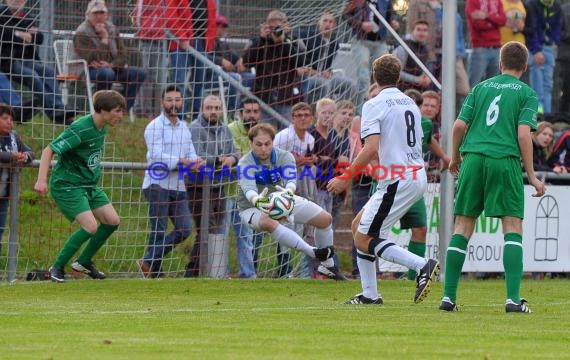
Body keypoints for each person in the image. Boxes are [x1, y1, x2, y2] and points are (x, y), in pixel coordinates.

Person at [439, 41, 545, 313]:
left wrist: (456, 157)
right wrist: (531, 176)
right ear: (524, 66)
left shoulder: (480, 88)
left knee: (462, 227)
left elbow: (459, 126)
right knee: (512, 227)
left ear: (500, 63)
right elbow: (523, 135)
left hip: (473, 158)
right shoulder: (527, 93)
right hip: (504, 159)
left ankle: (448, 298)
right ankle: (512, 300)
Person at [327, 54, 440, 305]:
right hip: (413, 175)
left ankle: (422, 265)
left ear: (374, 78)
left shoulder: (373, 104)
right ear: (399, 78)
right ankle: (369, 294)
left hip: (398, 179)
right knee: (358, 228)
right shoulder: (411, 103)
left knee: (365, 238)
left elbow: (370, 148)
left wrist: (346, 177)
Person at [34, 90, 125, 283]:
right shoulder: (80, 128)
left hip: (88, 184)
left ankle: (83, 262)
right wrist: (41, 180)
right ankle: (56, 267)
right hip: (68, 184)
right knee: (91, 226)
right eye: (117, 111)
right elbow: (48, 150)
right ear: (102, 110)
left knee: (112, 220)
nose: (121, 115)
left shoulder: (102, 126)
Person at [236, 123, 336, 277]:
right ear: (251, 144)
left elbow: (290, 179)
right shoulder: (245, 163)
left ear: (273, 142)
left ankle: (328, 267)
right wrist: (258, 201)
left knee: (325, 219)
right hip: (252, 207)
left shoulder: (285, 156)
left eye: (267, 144)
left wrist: (288, 192)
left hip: (282, 198)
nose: (263, 148)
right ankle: (312, 251)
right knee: (268, 222)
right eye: (258, 144)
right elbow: (249, 190)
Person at [137, 85, 204, 278]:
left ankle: (149, 261)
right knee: (158, 229)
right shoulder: (154, 127)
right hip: (157, 185)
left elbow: (190, 152)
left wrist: (196, 160)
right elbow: (157, 157)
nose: (174, 104)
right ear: (162, 102)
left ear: (182, 102)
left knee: (184, 229)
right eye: (169, 100)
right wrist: (185, 162)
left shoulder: (184, 127)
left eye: (177, 100)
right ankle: (155, 271)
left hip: (178, 185)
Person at [184, 94, 239, 277]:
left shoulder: (225, 128)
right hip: (198, 186)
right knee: (206, 228)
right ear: (202, 109)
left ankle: (206, 270)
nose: (213, 111)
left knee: (216, 229)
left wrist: (231, 158)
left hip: (219, 186)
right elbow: (196, 155)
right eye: (209, 108)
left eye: (216, 108)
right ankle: (195, 271)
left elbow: (235, 152)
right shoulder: (195, 128)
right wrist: (217, 160)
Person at [0, 0, 74, 124]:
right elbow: (3, 33)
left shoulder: (27, 16)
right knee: (32, 76)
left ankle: (58, 106)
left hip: (26, 59)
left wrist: (29, 36)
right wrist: (19, 34)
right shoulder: (2, 14)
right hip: (7, 60)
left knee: (48, 71)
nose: (16, 1)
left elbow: (39, 38)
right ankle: (51, 112)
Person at [74, 0, 146, 112]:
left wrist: (112, 64)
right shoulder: (82, 32)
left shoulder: (112, 29)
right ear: (88, 15)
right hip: (87, 70)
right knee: (106, 74)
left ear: (107, 15)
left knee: (139, 74)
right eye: (95, 13)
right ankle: (101, 110)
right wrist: (104, 38)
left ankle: (122, 109)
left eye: (102, 13)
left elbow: (123, 55)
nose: (99, 16)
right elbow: (92, 58)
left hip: (112, 68)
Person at [242, 10, 303, 125]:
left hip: (286, 97)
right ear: (266, 26)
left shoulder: (293, 41)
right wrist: (262, 39)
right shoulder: (259, 41)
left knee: (287, 136)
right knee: (264, 134)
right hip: (263, 97)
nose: (276, 30)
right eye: (273, 26)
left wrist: (284, 41)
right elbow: (246, 63)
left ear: (286, 26)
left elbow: (300, 62)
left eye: (279, 26)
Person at [227, 97, 263, 278]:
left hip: (249, 194)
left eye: (255, 111)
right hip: (227, 191)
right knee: (223, 235)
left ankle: (248, 274)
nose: (252, 115)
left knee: (247, 237)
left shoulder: (262, 133)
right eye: (248, 111)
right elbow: (239, 158)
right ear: (241, 113)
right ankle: (220, 274)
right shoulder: (231, 129)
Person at [343, 0, 399, 107]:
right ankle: (361, 108)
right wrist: (360, 24)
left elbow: (391, 14)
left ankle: (382, 105)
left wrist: (393, 22)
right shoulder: (357, 1)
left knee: (383, 74)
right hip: (361, 41)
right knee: (364, 76)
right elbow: (345, 15)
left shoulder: (386, 1)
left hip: (380, 41)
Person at [297, 11, 356, 104]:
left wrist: (329, 72)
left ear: (334, 25)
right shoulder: (308, 36)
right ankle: (321, 114)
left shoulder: (334, 43)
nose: (327, 24)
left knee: (351, 85)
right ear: (319, 23)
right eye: (325, 21)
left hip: (323, 76)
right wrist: (315, 72)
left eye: (330, 21)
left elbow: (327, 66)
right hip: (308, 76)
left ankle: (339, 111)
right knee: (325, 85)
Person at [0, 103, 33, 254]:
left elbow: (30, 152)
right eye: (5, 118)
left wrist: (24, 157)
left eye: (11, 119)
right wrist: (11, 156)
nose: (9, 122)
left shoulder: (14, 138)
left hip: (4, 196)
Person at [524, 0, 562, 114]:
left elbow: (557, 27)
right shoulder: (531, 4)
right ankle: (537, 114)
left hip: (550, 48)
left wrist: (554, 42)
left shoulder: (556, 6)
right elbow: (531, 29)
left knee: (548, 85)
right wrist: (536, 51)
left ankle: (547, 114)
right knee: (537, 84)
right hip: (535, 48)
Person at [465, 0, 506, 87]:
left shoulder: (498, 1)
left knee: (493, 86)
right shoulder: (472, 1)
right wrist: (495, 21)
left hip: (496, 48)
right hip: (480, 48)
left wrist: (487, 16)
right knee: (473, 85)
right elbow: (479, 25)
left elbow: (503, 20)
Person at [392, 20, 432, 93]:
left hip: (419, 90)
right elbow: (395, 72)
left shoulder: (425, 48)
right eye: (418, 29)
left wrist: (427, 78)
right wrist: (416, 79)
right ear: (412, 31)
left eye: (425, 30)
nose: (422, 33)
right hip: (402, 90)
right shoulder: (403, 47)